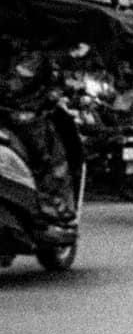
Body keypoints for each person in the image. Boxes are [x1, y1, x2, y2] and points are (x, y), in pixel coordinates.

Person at [0, 38, 77, 226]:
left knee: (45, 157)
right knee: (46, 158)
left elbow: (19, 83)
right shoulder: (33, 57)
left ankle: (50, 199)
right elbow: (15, 84)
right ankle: (51, 199)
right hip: (21, 116)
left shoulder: (35, 57)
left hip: (21, 115)